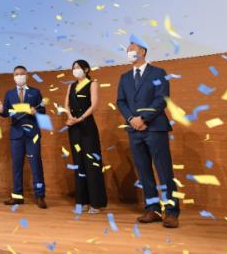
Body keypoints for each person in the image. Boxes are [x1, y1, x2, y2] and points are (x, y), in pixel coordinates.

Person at [117, 40, 180, 228]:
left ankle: (171, 212)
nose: (129, 52)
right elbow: (121, 101)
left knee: (164, 171)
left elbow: (161, 99)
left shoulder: (158, 72)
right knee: (144, 171)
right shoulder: (124, 77)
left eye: (132, 49)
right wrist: (131, 119)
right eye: (127, 50)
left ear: (143, 51)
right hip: (134, 130)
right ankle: (152, 209)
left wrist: (143, 118)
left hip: (155, 128)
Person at [0, 65, 47, 209]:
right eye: (16, 74)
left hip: (32, 135)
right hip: (16, 134)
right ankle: (17, 196)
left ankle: (40, 196)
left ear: (27, 75)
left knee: (36, 165)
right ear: (13, 77)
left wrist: (36, 111)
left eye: (22, 73)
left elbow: (43, 110)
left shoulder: (35, 92)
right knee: (17, 166)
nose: (19, 76)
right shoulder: (9, 94)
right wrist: (1, 111)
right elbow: (6, 112)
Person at [64, 59, 107, 213]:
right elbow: (66, 105)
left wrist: (81, 118)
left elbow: (94, 105)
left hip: (87, 126)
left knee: (91, 163)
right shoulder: (71, 86)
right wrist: (70, 117)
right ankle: (82, 202)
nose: (75, 70)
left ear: (86, 69)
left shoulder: (93, 83)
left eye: (78, 67)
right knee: (78, 163)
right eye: (73, 67)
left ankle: (96, 203)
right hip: (73, 127)